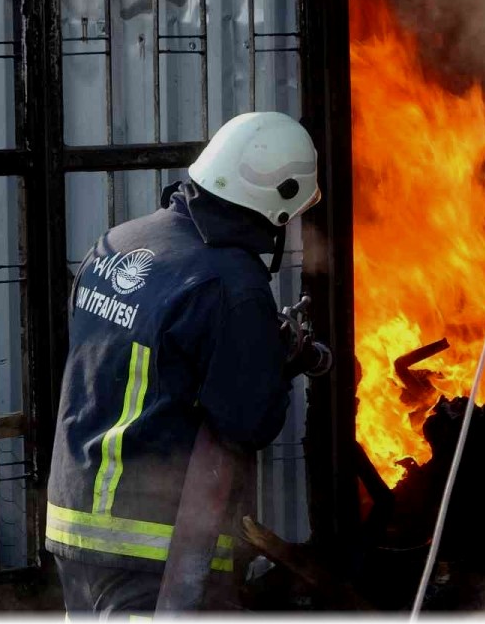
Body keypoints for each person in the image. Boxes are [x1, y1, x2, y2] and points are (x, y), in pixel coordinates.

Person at [46, 111, 328, 615]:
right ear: (280, 202)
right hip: (150, 543)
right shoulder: (231, 283)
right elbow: (249, 421)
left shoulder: (118, 244)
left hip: (75, 519)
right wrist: (272, 363)